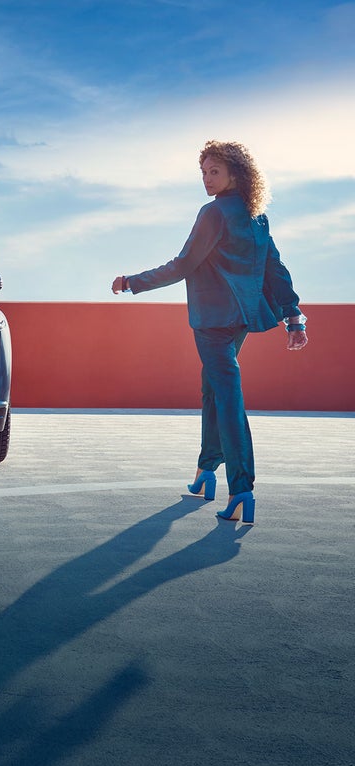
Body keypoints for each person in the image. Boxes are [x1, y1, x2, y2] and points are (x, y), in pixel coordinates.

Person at [111, 140, 308, 525]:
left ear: (236, 173)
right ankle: (206, 471)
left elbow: (184, 264)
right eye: (203, 172)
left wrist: (132, 282)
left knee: (227, 394)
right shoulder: (257, 216)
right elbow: (275, 270)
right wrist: (294, 316)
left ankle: (242, 488)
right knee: (212, 389)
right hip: (241, 319)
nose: (206, 179)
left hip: (213, 321)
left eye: (214, 171)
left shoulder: (213, 213)